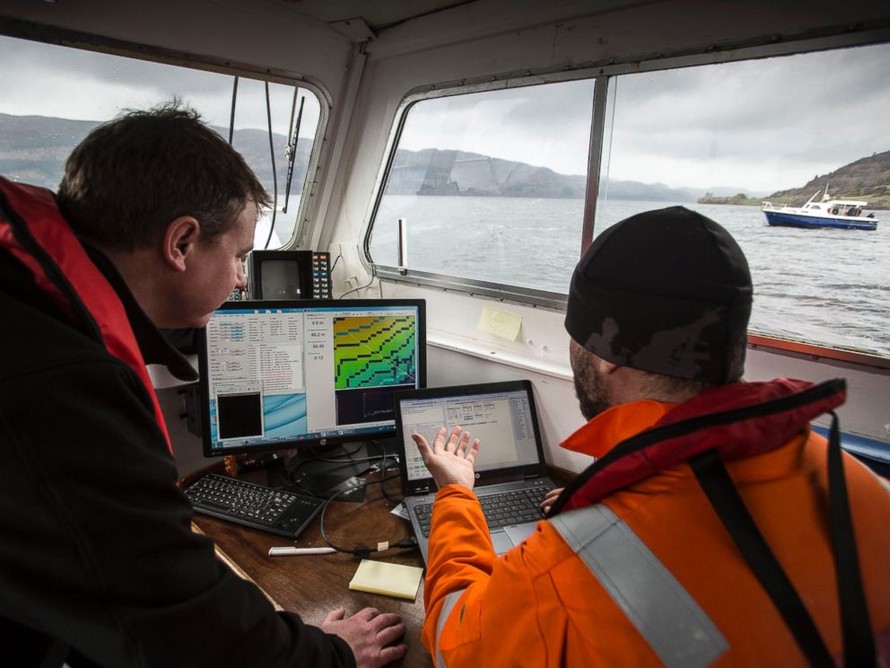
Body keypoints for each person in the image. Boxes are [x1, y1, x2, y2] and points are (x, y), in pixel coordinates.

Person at [0, 103, 406, 667]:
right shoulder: (59, 381)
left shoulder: (29, 301)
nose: (243, 278)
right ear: (181, 242)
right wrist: (333, 657)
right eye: (239, 255)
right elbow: (186, 625)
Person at [412, 206, 889, 666]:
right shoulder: (861, 485)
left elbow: (454, 644)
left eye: (573, 336)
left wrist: (455, 493)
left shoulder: (576, 558)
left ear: (607, 353)